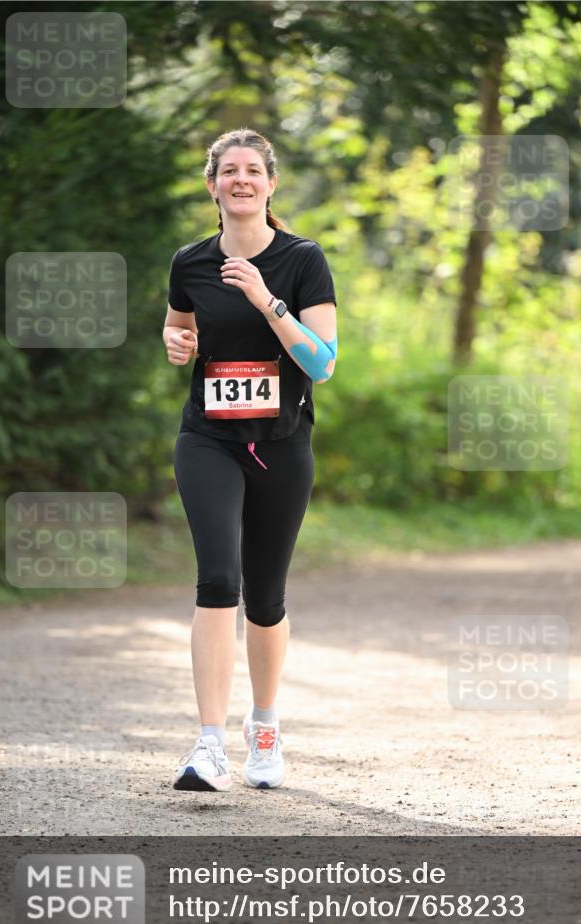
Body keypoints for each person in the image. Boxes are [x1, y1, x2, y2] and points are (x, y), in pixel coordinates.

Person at [163, 128, 337, 791]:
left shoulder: (301, 260)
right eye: (227, 171)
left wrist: (267, 300)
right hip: (206, 438)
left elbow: (321, 364)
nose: (240, 179)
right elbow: (178, 325)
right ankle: (207, 744)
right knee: (217, 582)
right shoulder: (190, 262)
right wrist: (177, 344)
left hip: (282, 445)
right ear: (212, 185)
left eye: (252, 170)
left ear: (270, 184)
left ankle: (262, 726)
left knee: (265, 601)